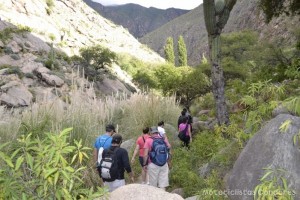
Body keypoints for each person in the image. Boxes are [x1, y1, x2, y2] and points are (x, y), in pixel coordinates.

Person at [143, 126, 171, 190]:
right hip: (164, 164)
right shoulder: (163, 139)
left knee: (153, 185)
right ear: (157, 132)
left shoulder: (148, 140)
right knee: (163, 184)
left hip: (153, 164)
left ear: (150, 132)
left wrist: (145, 164)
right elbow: (169, 148)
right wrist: (168, 162)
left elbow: (145, 155)